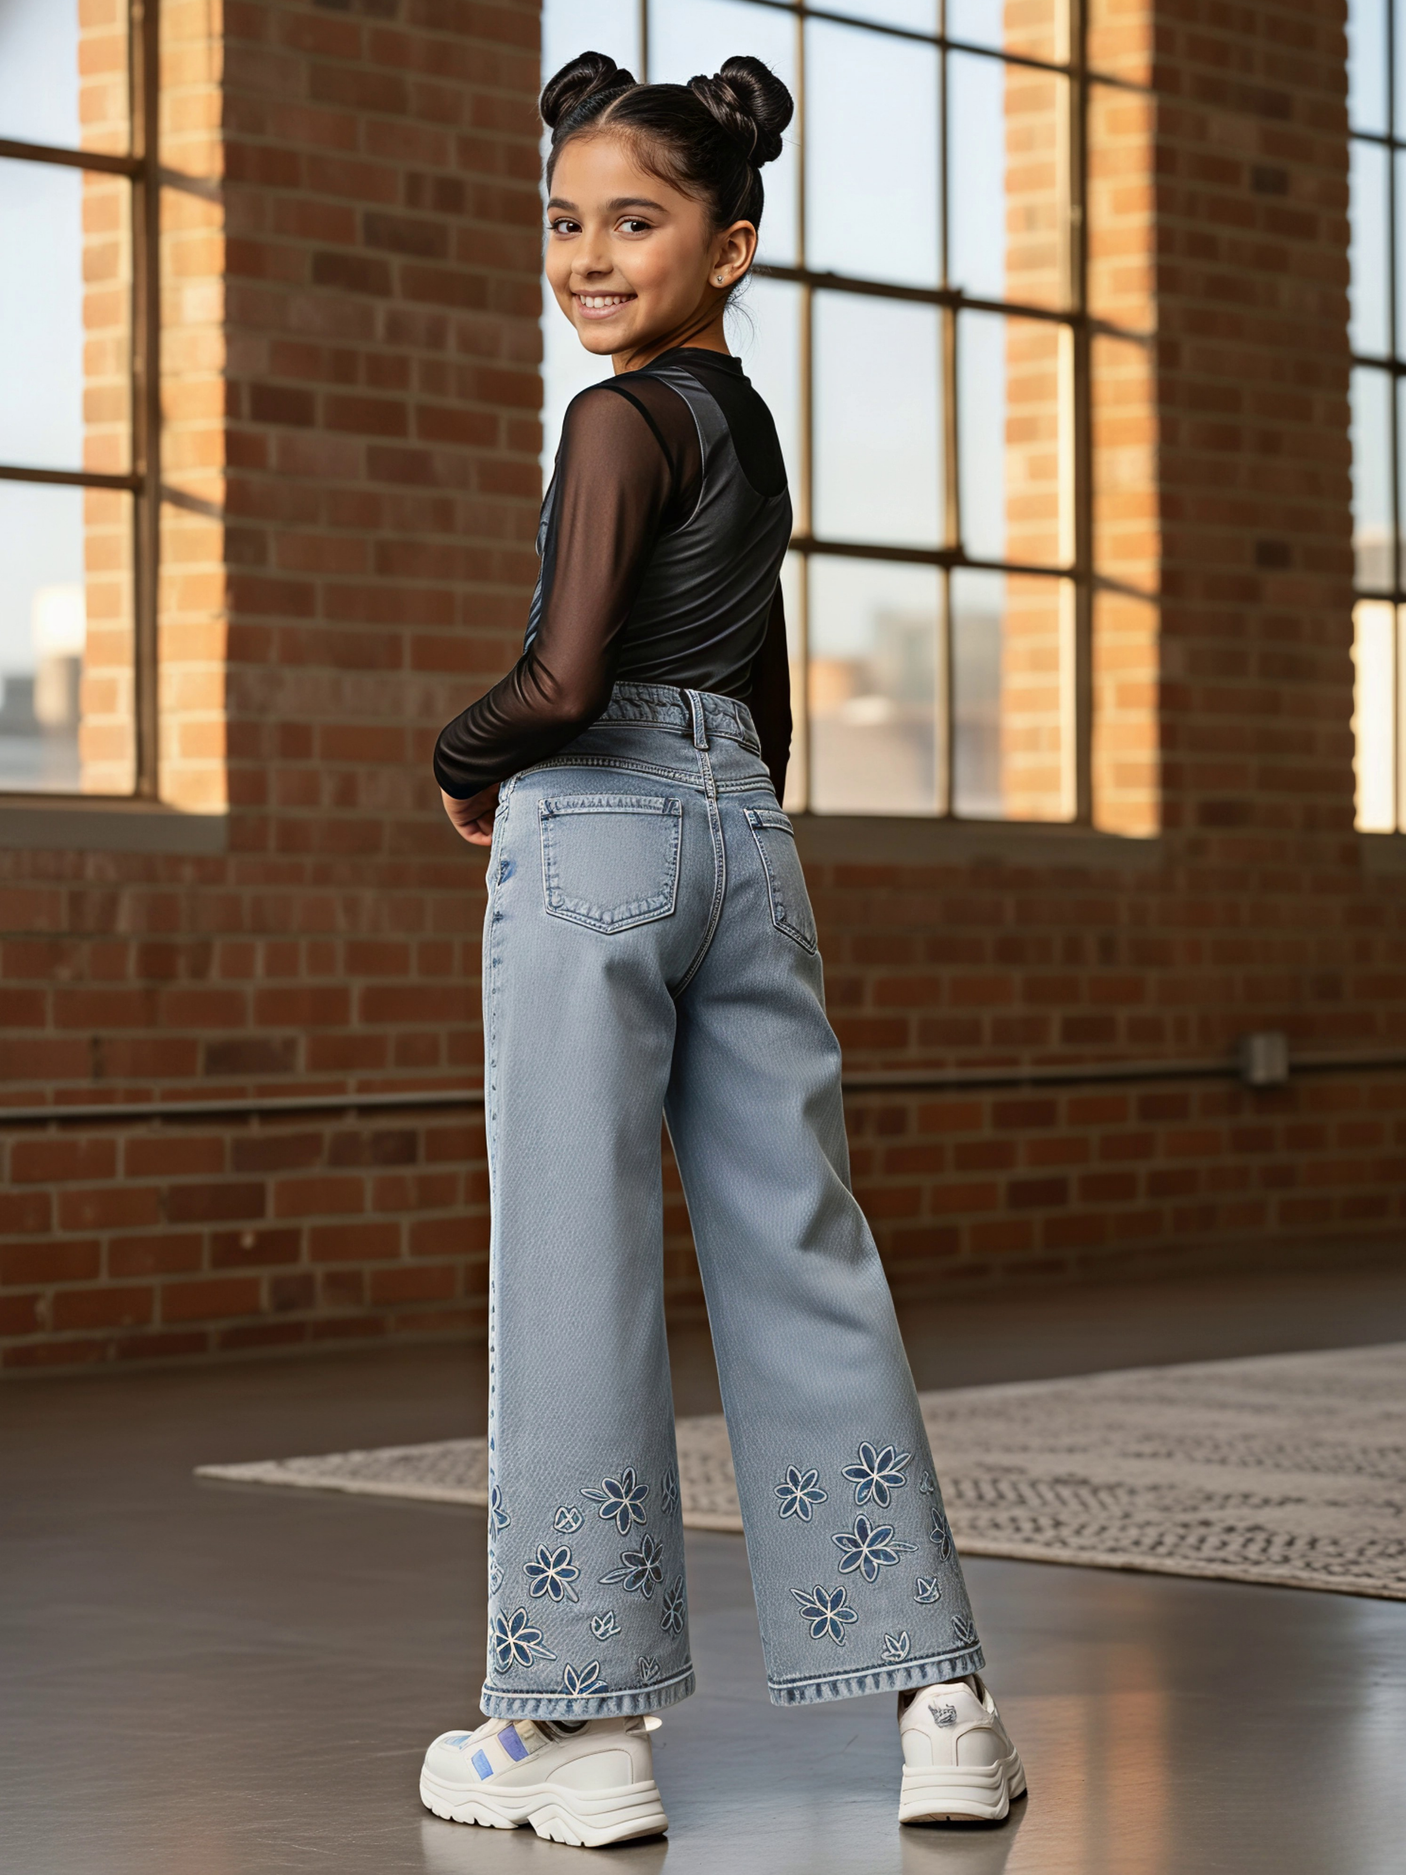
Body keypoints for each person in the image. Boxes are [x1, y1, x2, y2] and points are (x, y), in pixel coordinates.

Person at [417, 49, 1025, 1848]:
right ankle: (943, 1707)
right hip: (743, 830)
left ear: (728, 243)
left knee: (576, 1259)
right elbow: (756, 697)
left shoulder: (613, 420)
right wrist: (733, 827)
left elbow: (562, 681)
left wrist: (459, 758)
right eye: (564, 223)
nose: (588, 257)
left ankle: (577, 1727)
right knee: (803, 1250)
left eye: (634, 222)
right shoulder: (746, 427)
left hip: (597, 828)